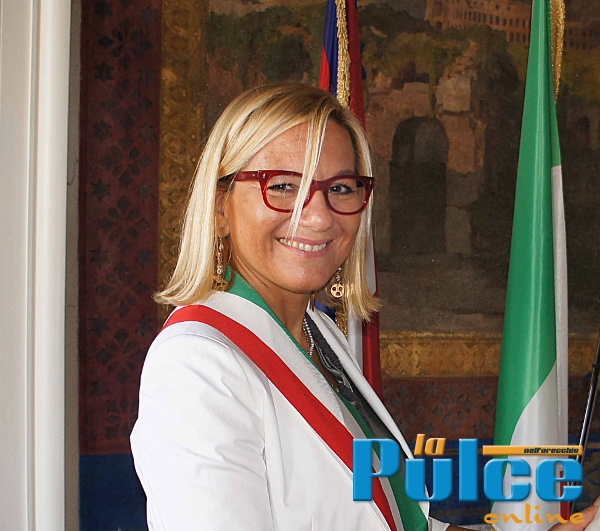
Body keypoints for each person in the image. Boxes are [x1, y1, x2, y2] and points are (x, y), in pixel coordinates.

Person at [130, 83, 598, 531]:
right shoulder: (196, 365)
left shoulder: (319, 334)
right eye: (284, 185)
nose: (318, 217)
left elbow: (398, 521)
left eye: (340, 188)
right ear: (219, 206)